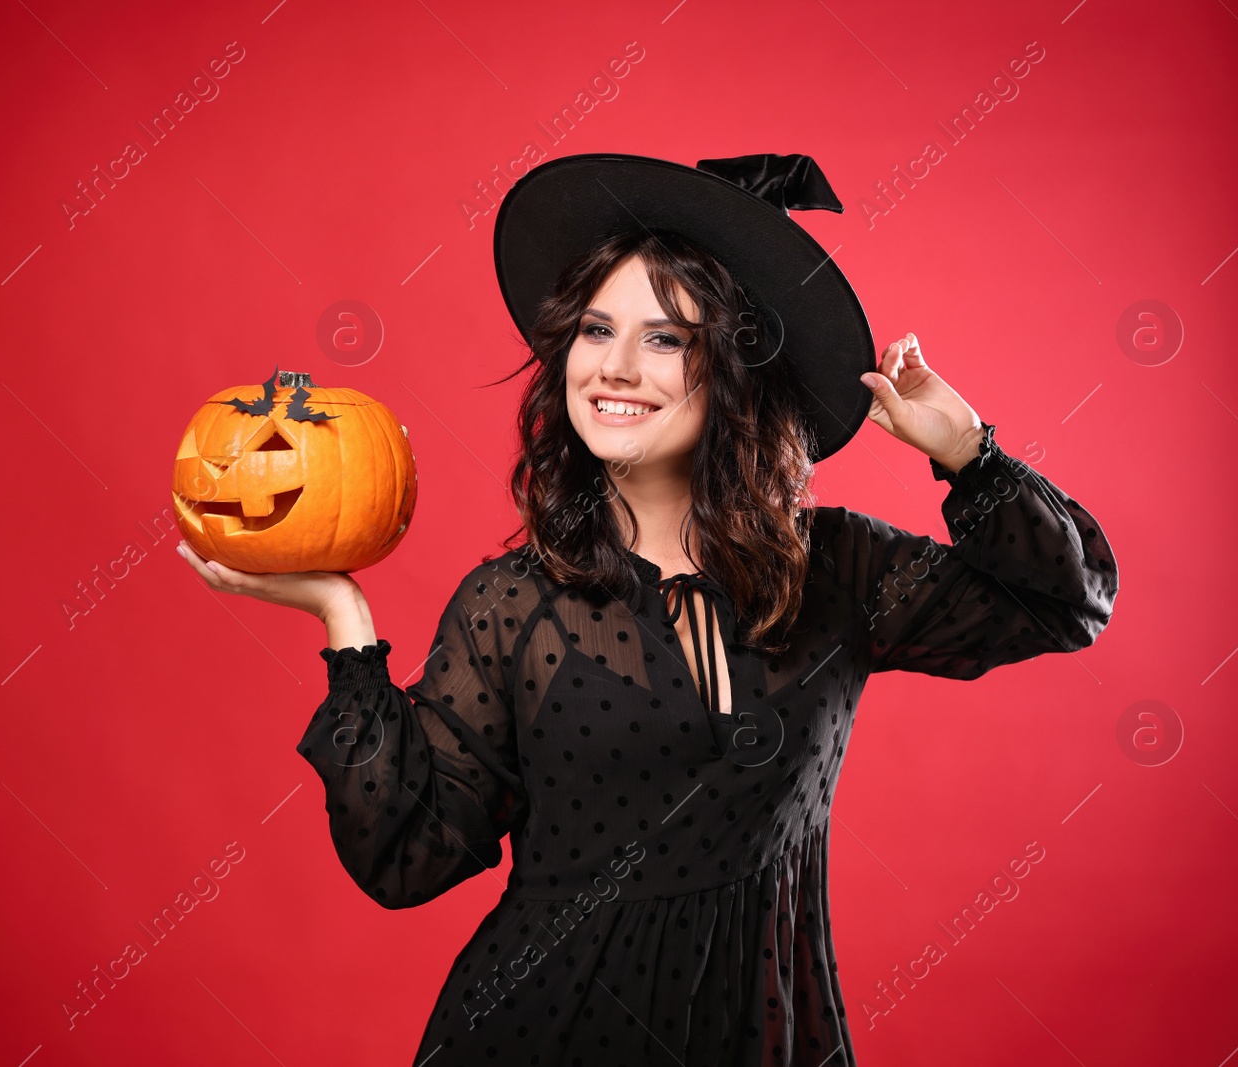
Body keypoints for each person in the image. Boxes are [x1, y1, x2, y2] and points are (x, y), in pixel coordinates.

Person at [176, 152, 1119, 1066]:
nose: (615, 367)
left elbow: (1065, 602)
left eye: (665, 338)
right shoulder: (514, 610)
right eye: (595, 329)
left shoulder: (838, 568)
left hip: (769, 1035)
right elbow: (409, 857)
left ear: (738, 368)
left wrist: (968, 452)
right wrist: (346, 622)